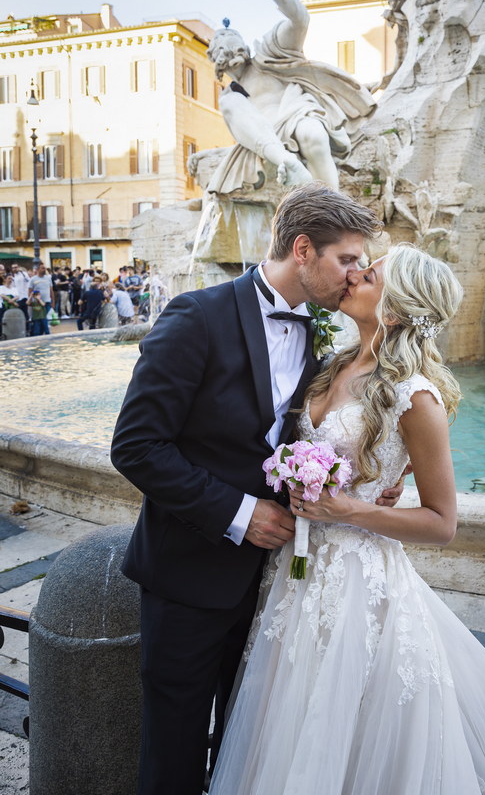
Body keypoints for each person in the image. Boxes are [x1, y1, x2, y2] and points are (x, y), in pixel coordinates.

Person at [209, 244, 485, 795]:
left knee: (349, 723)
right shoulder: (331, 367)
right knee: (288, 716)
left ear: (394, 308)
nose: (351, 277)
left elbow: (443, 523)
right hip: (293, 573)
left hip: (358, 584)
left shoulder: (414, 396)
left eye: (367, 275)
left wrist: (352, 507)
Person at [110, 183, 403, 795]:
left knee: (252, 750)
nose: (356, 275)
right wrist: (240, 514)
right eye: (347, 259)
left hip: (279, 590)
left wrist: (371, 478)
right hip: (188, 577)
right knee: (173, 753)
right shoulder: (196, 316)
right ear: (303, 249)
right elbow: (136, 446)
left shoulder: (325, 334)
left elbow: (312, 433)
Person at [200, 0, 375, 195]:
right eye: (220, 41)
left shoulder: (270, 54)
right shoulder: (230, 98)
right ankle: (288, 162)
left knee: (313, 135)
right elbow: (241, 122)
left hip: (296, 114)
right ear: (214, 59)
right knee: (229, 101)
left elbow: (299, 19)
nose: (227, 41)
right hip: (265, 140)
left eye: (232, 37)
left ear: (244, 46)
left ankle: (333, 205)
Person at [27, 264, 54, 336]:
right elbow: (30, 291)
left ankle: (42, 333)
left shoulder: (48, 278)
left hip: (47, 302)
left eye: (45, 268)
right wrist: (31, 301)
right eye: (42, 268)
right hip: (37, 303)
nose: (44, 270)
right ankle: (39, 333)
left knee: (44, 319)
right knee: (39, 319)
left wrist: (53, 301)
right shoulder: (33, 279)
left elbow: (51, 290)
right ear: (38, 269)